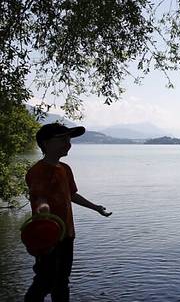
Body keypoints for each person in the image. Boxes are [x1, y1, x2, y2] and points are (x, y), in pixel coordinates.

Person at [24, 122, 112, 302]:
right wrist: (44, 210)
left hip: (67, 235)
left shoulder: (65, 169)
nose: (68, 143)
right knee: (44, 281)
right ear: (46, 143)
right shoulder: (38, 171)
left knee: (62, 281)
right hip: (47, 238)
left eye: (69, 139)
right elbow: (40, 198)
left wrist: (95, 207)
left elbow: (71, 194)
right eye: (62, 139)